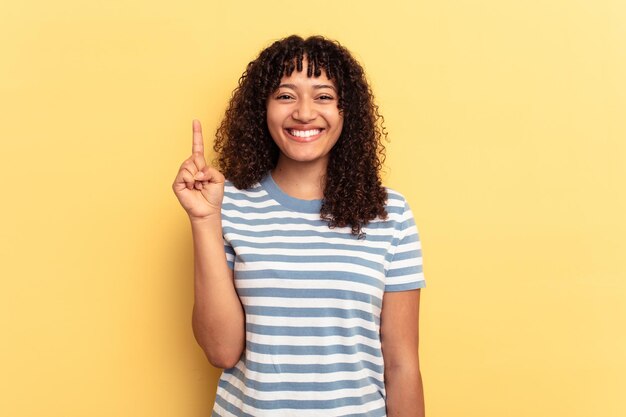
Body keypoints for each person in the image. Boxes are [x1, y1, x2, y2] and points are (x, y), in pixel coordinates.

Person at [172, 35, 426, 417]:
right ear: (263, 109)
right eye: (286, 95)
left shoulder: (390, 212)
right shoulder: (226, 204)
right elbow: (221, 351)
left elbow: (403, 366)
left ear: (346, 112)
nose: (305, 113)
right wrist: (204, 220)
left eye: (323, 96)